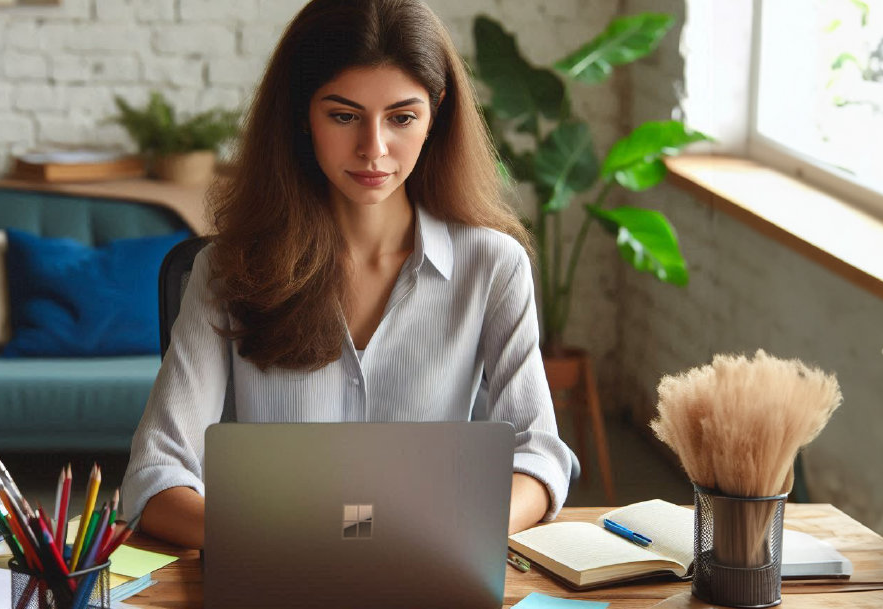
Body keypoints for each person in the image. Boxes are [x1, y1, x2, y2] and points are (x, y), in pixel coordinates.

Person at [122, 0, 575, 549]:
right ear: (301, 117)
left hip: (429, 571)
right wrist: (286, 542)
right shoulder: (225, 272)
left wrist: (454, 532)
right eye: (343, 116)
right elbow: (155, 476)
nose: (374, 149)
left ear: (435, 116)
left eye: (402, 118)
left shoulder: (494, 266)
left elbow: (539, 454)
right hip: (277, 574)